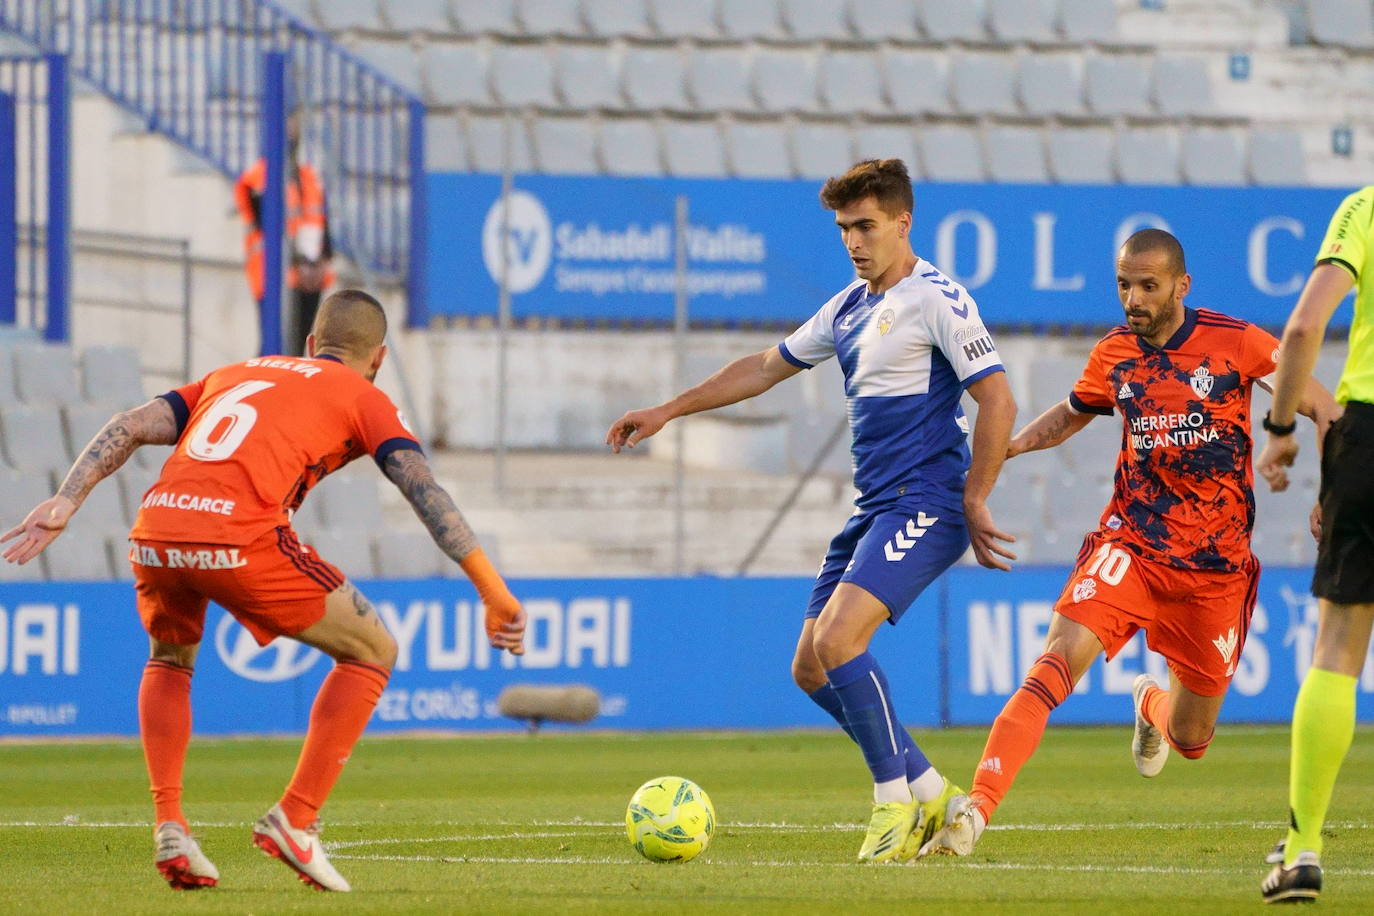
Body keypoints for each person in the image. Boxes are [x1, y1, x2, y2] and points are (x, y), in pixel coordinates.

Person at [0, 289, 526, 893]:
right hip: (237, 536)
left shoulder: (234, 372)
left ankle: (170, 825)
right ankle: (295, 820)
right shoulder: (366, 395)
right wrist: (493, 591)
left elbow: (129, 425)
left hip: (158, 529)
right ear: (378, 358)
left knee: (169, 658)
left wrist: (67, 499)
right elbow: (425, 493)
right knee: (373, 651)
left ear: (309, 343)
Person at [605, 159, 1019, 863]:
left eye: (865, 226)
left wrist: (974, 496)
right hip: (875, 508)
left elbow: (999, 399)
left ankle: (893, 805)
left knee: (837, 641)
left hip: (926, 501)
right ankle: (931, 790)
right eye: (843, 229)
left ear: (901, 222)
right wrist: (668, 410)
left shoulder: (938, 299)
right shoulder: (849, 307)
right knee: (811, 667)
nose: (854, 242)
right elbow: (764, 367)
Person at [918, 229, 1338, 859]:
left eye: (1147, 285)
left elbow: (1326, 411)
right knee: (1055, 664)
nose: (1133, 299)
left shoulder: (1238, 343)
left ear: (1181, 285)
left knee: (1193, 739)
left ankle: (1150, 698)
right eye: (1123, 285)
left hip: (1215, 568)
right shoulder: (1115, 353)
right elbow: (1071, 412)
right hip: (1132, 544)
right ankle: (974, 811)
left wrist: (1331, 495)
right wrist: (1004, 448)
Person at [1255, 185, 1374, 904]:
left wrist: (1279, 429)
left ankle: (1303, 847)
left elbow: (1302, 330)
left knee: (1338, 646)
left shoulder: (1366, 208)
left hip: (1371, 435)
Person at [235, 113, 334, 357]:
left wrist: (320, 262)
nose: (292, 133)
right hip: (273, 273)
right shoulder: (257, 178)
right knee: (273, 345)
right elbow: (265, 224)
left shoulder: (309, 177)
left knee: (300, 343)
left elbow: (322, 222)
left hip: (309, 275)